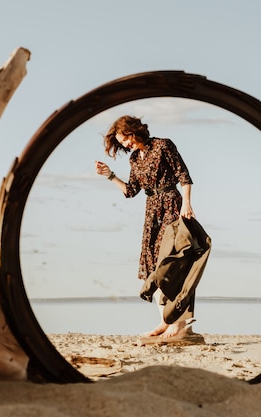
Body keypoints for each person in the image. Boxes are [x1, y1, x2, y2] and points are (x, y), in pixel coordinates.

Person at [95, 115, 195, 337]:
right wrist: (109, 175)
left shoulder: (163, 145)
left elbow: (184, 176)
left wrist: (186, 205)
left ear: (134, 131)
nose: (126, 144)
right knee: (153, 266)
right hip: (151, 212)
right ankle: (164, 320)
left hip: (171, 205)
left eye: (126, 139)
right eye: (122, 143)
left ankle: (178, 322)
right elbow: (131, 191)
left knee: (170, 263)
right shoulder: (134, 159)